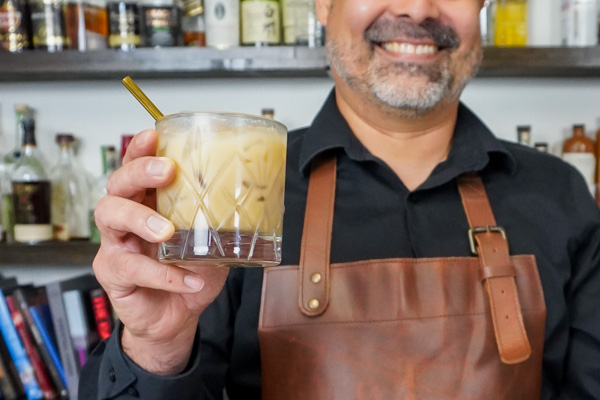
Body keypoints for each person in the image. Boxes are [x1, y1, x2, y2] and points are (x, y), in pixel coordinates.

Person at [81, 0, 600, 398]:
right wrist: (156, 348)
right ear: (322, 4)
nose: (418, 9)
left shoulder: (560, 193)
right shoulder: (229, 200)